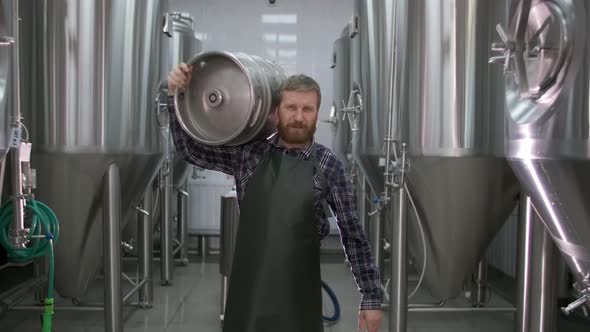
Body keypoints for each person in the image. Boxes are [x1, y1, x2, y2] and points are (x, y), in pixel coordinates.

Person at [167, 63, 383, 332]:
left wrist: (371, 298)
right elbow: (190, 151)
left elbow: (353, 235)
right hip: (248, 296)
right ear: (276, 113)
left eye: (308, 109)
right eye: (291, 108)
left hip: (298, 300)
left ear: (317, 115)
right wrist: (175, 98)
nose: (298, 117)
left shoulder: (329, 166)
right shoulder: (248, 155)